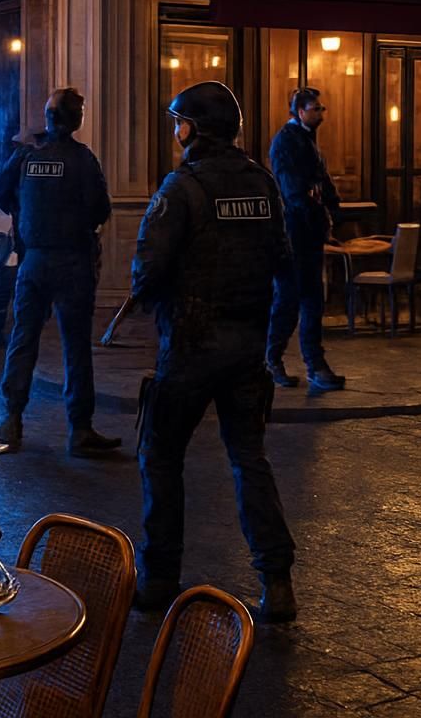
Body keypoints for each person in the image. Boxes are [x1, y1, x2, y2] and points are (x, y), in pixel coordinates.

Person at [131, 81, 298, 622]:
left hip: (189, 346)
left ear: (193, 129)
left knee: (160, 457)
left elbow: (147, 268)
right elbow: (282, 261)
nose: (176, 131)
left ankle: (159, 579)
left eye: (180, 122)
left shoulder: (182, 187)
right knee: (250, 460)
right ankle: (277, 581)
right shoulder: (262, 183)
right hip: (247, 345)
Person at [0, 87, 120, 457]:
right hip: (73, 262)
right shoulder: (83, 160)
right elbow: (100, 209)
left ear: (48, 118)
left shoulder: (25, 157)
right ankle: (80, 429)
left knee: (23, 338)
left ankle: (11, 419)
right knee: (76, 347)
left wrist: (26, 208)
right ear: (76, 119)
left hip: (34, 261)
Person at [265, 87, 344, 391]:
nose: (320, 113)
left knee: (309, 299)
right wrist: (317, 209)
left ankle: (314, 364)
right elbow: (294, 190)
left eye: (321, 108)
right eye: (315, 108)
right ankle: (274, 361)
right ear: (300, 111)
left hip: (306, 232)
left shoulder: (305, 140)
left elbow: (320, 182)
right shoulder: (287, 140)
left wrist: (329, 205)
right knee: (290, 299)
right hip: (294, 234)